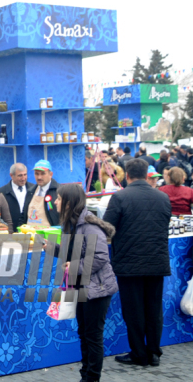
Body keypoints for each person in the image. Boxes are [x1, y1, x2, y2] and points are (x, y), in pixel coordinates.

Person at [103, 158, 171, 367]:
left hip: (129, 263)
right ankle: (154, 352)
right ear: (147, 174)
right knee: (153, 309)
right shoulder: (162, 197)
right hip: (156, 262)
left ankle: (139, 353)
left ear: (128, 175)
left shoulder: (120, 197)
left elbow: (107, 228)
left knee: (133, 311)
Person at [52, 184, 118, 382]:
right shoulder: (72, 224)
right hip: (81, 287)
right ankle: (86, 375)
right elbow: (72, 254)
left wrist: (74, 267)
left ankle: (92, 378)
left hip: (97, 289)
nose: (55, 201)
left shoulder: (89, 226)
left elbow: (99, 257)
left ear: (69, 203)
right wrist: (51, 248)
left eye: (58, 198)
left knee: (92, 336)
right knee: (84, 333)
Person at [0, 163, 34, 232]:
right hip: (10, 233)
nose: (23, 178)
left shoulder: (34, 189)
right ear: (11, 175)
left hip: (30, 232)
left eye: (25, 175)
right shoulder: (1, 192)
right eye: (20, 175)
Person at [25, 160, 60, 227]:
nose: (39, 177)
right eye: (36, 174)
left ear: (51, 174)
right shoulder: (30, 191)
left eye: (43, 173)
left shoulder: (58, 191)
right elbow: (24, 214)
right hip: (30, 235)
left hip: (49, 235)